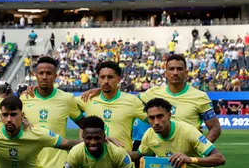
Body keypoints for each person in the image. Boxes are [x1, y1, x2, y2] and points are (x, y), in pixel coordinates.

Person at [81, 55, 221, 143]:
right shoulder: (152, 93)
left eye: (179, 69)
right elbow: (126, 101)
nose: (175, 73)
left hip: (188, 155)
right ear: (165, 73)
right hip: (158, 154)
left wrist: (201, 148)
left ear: (186, 72)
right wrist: (101, 89)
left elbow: (215, 128)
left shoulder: (200, 97)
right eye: (171, 69)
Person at [129, 98, 226, 168]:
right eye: (151, 118)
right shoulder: (149, 135)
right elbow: (138, 155)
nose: (156, 122)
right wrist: (115, 152)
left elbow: (219, 158)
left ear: (169, 115)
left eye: (160, 116)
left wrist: (190, 160)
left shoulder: (188, 131)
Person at [20, 57, 85, 168]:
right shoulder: (24, 99)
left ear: (55, 76)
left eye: (49, 73)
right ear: (35, 75)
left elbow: (85, 125)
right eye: (41, 73)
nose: (44, 77)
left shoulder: (67, 99)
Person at [77, 61, 147, 152]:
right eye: (102, 77)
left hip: (121, 160)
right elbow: (65, 104)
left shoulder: (132, 101)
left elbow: (155, 121)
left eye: (110, 77)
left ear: (118, 79)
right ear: (98, 80)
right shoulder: (88, 99)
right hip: (93, 160)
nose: (106, 81)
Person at [64, 116, 137, 168]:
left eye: (97, 138)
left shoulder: (117, 153)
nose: (93, 142)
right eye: (88, 138)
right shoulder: (75, 153)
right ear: (83, 137)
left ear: (104, 137)